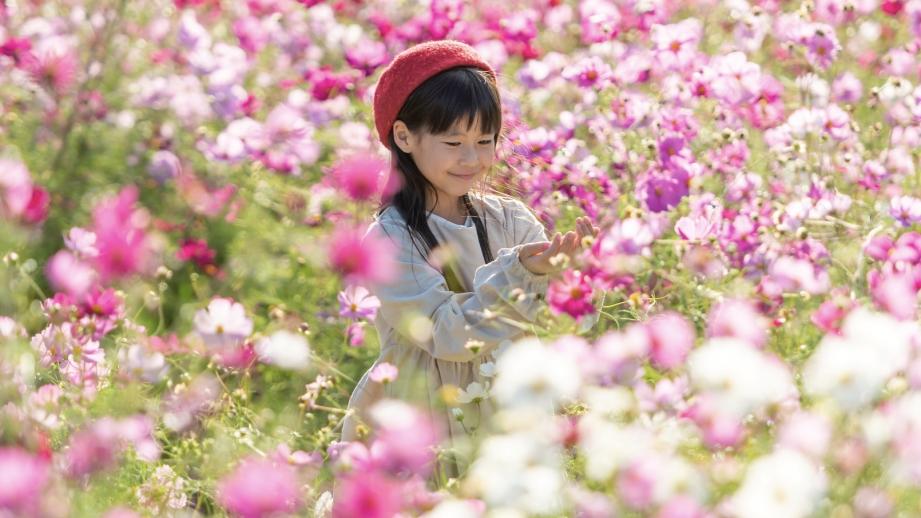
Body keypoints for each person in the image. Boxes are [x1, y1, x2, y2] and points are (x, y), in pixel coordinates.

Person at [340, 40, 598, 477]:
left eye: (485, 140)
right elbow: (447, 336)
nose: (472, 158)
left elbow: (543, 314)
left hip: (510, 412)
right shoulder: (388, 240)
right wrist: (523, 275)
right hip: (424, 420)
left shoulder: (511, 219)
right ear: (403, 136)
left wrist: (564, 273)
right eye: (453, 141)